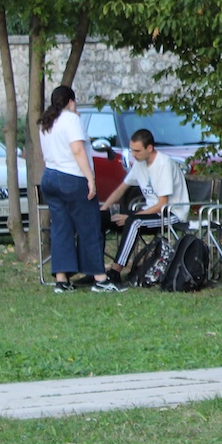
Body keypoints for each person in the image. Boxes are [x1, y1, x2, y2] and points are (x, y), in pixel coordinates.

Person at [37, 86, 122, 293]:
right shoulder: (71, 120)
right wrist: (90, 178)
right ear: (71, 102)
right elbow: (77, 150)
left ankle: (62, 279)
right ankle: (100, 278)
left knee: (61, 228)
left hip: (50, 176)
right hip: (72, 177)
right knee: (89, 227)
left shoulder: (46, 121)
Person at [99, 129, 191, 284]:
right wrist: (103, 209)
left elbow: (162, 204)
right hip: (150, 211)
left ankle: (115, 272)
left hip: (171, 214)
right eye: (132, 150)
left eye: (137, 151)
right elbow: (122, 188)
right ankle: (96, 270)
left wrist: (132, 216)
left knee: (134, 222)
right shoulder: (140, 164)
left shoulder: (164, 164)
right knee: (100, 218)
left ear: (149, 148)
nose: (133, 155)